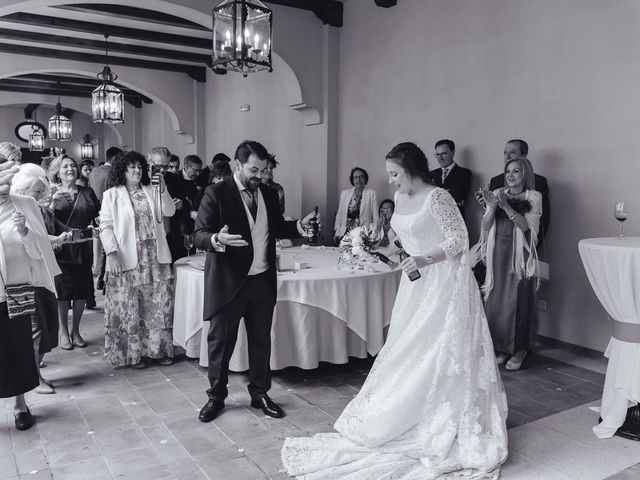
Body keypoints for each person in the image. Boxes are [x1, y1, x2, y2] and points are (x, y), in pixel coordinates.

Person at [282, 142, 508, 479]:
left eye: (394, 174)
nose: (390, 181)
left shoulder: (438, 197)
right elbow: (404, 235)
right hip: (413, 284)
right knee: (406, 348)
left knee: (435, 348)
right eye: (389, 174)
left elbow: (459, 239)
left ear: (412, 170)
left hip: (442, 283)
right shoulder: (401, 198)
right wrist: (371, 243)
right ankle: (404, 410)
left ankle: (441, 411)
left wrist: (423, 259)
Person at [194, 140, 316, 423]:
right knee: (221, 343)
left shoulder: (270, 195)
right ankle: (216, 397)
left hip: (261, 280)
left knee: (261, 341)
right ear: (237, 165)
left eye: (263, 170)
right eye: (253, 169)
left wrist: (298, 225)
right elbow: (199, 232)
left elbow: (277, 226)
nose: (259, 176)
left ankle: (260, 393)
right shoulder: (216, 192)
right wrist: (215, 239)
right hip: (229, 281)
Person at [99, 151, 176, 368]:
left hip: (155, 257)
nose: (136, 170)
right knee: (130, 305)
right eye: (131, 167)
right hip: (126, 257)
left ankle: (159, 350)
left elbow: (169, 210)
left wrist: (164, 188)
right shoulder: (112, 195)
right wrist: (112, 254)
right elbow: (105, 226)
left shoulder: (152, 190)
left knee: (158, 305)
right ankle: (134, 354)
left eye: (139, 167)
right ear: (122, 170)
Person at [0, 158, 60, 430]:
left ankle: (20, 405)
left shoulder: (26, 204)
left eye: (9, 180)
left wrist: (25, 232)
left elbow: (40, 252)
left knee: (18, 348)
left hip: (18, 287)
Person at [478, 158, 542, 371]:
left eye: (516, 171)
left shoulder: (534, 196)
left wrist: (505, 206)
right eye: (508, 171)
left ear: (525, 174)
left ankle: (520, 349)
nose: (511, 175)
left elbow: (527, 228)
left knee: (518, 300)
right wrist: (491, 206)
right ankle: (501, 347)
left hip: (519, 255)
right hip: (497, 251)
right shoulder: (497, 192)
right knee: (496, 300)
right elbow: (486, 226)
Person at [11, 164, 70, 394]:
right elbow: (27, 243)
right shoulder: (13, 208)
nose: (39, 196)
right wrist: (28, 236)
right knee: (35, 332)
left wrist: (56, 239)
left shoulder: (31, 206)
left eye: (40, 191)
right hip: (27, 278)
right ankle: (34, 379)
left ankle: (37, 373)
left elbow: (40, 237)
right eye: (35, 191)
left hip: (45, 275)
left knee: (47, 330)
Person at [49, 155, 100, 350]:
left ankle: (75, 330)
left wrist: (95, 226)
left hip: (83, 248)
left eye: (72, 166)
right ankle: (63, 331)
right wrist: (50, 205)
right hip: (61, 250)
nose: (70, 169)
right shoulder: (52, 192)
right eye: (65, 167)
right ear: (57, 172)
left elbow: (98, 215)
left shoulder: (87, 191)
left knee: (81, 292)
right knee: (63, 293)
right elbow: (45, 221)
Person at [486, 139, 549, 246]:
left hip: (524, 245)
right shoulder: (495, 181)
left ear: (524, 156)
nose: (507, 156)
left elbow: (543, 219)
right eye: (505, 152)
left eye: (512, 152)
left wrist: (533, 246)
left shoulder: (539, 182)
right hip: (497, 244)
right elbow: (489, 216)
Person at [89, 146, 122, 292]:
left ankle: (100, 278)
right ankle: (103, 279)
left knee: (100, 248)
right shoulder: (112, 173)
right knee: (107, 248)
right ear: (115, 159)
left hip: (94, 211)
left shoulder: (94, 171)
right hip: (108, 212)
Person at [147, 147, 189, 261]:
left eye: (165, 166)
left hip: (171, 233)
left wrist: (181, 204)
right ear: (149, 162)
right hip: (148, 234)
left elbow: (186, 203)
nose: (162, 170)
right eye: (158, 166)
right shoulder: (141, 180)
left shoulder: (175, 179)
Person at [334, 167, 379, 245]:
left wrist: (374, 234)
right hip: (345, 233)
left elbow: (375, 217)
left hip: (364, 234)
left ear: (365, 179)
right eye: (355, 177)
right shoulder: (344, 194)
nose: (358, 179)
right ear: (352, 180)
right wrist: (337, 232)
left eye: (361, 177)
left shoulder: (371, 193)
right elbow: (339, 215)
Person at [429, 139, 472, 216]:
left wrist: (435, 193)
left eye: (444, 154)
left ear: (453, 153)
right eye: (437, 155)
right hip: (435, 221)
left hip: (456, 220)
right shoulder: (431, 174)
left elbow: (458, 198)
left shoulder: (464, 173)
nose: (440, 158)